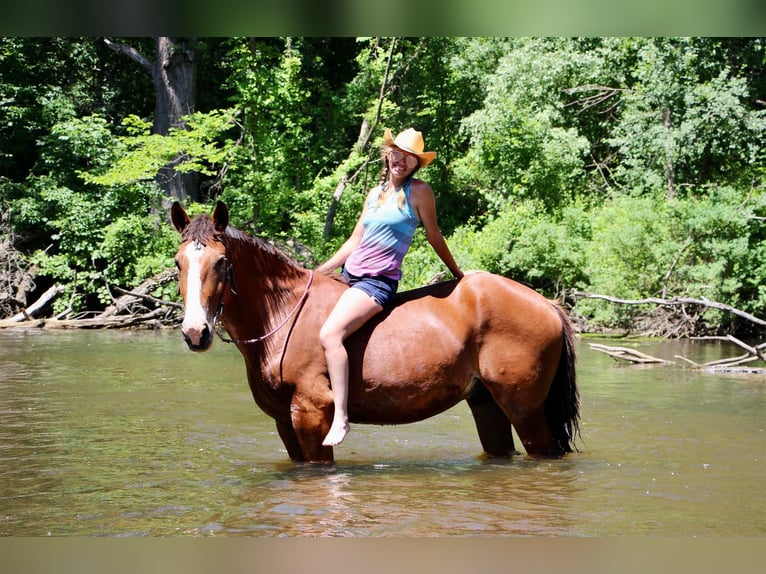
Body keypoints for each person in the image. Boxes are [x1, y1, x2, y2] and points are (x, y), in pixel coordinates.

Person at [315, 127, 464, 447]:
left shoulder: (419, 192)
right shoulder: (374, 193)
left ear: (416, 164)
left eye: (409, 157)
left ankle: (340, 417)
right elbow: (354, 241)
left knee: (330, 334)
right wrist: (319, 272)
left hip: (376, 283)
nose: (401, 160)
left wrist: (457, 273)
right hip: (349, 276)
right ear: (388, 154)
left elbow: (434, 236)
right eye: (397, 153)